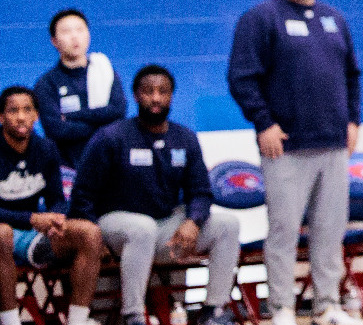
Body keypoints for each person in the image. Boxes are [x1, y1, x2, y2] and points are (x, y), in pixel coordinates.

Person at [226, 0, 363, 325]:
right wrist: (263, 123)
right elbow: (241, 77)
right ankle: (282, 308)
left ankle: (327, 306)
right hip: (285, 146)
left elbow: (352, 75)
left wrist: (353, 120)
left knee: (330, 229)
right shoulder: (260, 19)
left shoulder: (334, 19)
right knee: (284, 231)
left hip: (334, 145)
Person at [70, 66, 240, 325]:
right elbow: (82, 193)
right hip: (115, 224)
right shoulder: (111, 137)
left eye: (163, 91)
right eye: (148, 92)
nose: (156, 98)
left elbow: (201, 192)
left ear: (172, 96)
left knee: (228, 225)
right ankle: (133, 315)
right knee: (142, 228)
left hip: (164, 226)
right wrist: (93, 237)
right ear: (136, 96)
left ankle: (213, 311)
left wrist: (193, 221)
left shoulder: (185, 138)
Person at [0, 86, 104, 325]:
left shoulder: (46, 148)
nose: (21, 116)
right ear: (1, 117)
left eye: (28, 110)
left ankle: (78, 320)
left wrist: (56, 218)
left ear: (36, 115)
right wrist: (32, 219)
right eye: (13, 110)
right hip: (5, 231)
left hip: (32, 234)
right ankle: (9, 322)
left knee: (90, 233)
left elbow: (57, 198)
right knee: (2, 233)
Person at [32, 9, 126, 167]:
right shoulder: (46, 83)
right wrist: (102, 125)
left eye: (80, 30)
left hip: (109, 163)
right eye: (66, 31)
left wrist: (73, 116)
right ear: (54, 41)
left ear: (88, 35)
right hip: (68, 167)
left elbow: (118, 111)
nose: (74, 36)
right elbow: (56, 130)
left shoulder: (105, 71)